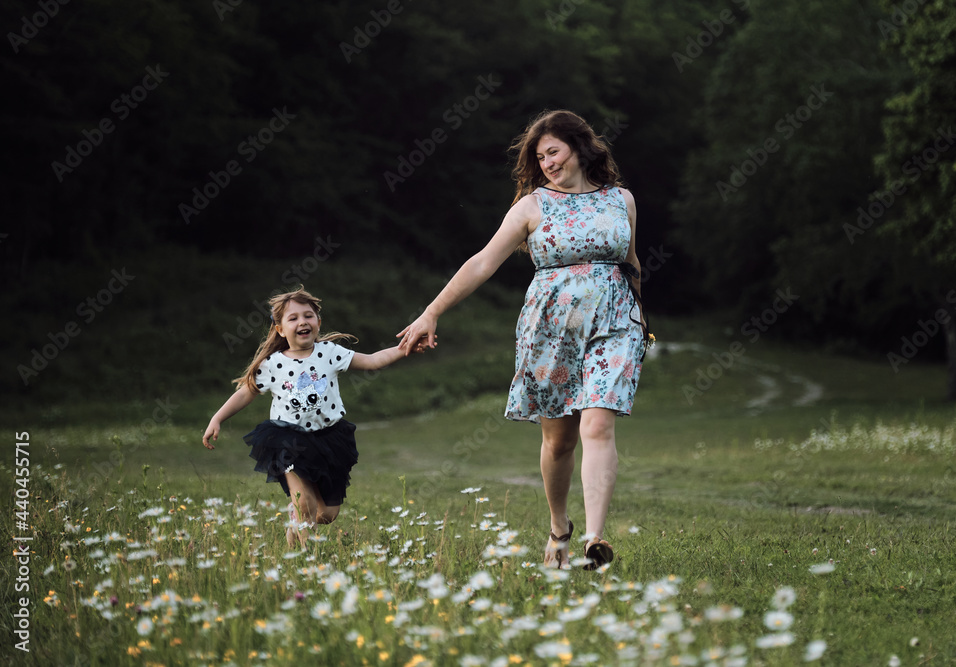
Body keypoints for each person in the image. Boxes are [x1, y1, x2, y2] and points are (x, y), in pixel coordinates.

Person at [397, 109, 650, 570]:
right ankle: (559, 529)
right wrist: (431, 312)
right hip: (550, 330)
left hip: (616, 324)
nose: (548, 162)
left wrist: (639, 315)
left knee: (598, 423)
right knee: (560, 442)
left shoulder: (622, 200)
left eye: (554, 151)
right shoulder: (532, 206)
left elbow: (631, 262)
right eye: (541, 157)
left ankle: (596, 540)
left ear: (579, 146)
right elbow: (480, 264)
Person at [203, 286, 431, 547]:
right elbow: (246, 393)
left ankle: (295, 521)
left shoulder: (330, 353)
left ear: (318, 322)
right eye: (293, 318)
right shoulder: (273, 364)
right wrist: (217, 418)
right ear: (279, 329)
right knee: (304, 502)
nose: (302, 321)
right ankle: (302, 558)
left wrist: (406, 348)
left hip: (329, 440)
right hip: (288, 441)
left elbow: (372, 360)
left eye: (308, 316)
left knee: (327, 514)